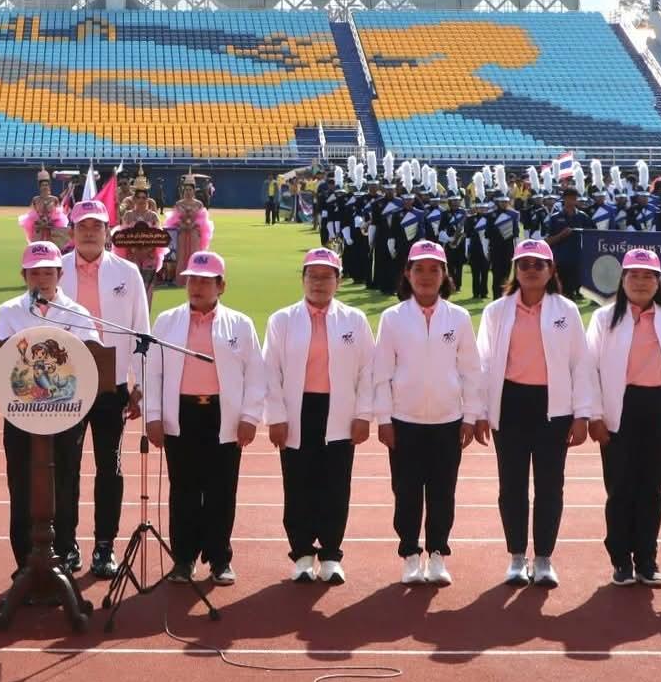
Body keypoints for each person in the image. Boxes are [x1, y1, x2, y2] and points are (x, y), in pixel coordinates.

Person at [476, 238, 593, 588]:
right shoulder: (496, 311)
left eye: (538, 264)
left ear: (550, 269)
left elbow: (580, 365)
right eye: (524, 264)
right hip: (509, 404)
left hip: (553, 408)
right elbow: (482, 364)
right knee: (511, 485)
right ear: (515, 269)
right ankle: (516, 557)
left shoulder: (567, 311)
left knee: (550, 486)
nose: (530, 270)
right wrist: (480, 411)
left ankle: (543, 558)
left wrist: (582, 414)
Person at [144, 251, 265, 585]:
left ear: (221, 286)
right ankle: (183, 559)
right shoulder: (166, 321)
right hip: (180, 414)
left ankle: (219, 559)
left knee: (221, 491)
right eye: (192, 280)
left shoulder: (240, 324)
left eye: (205, 281)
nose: (196, 287)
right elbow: (152, 372)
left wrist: (250, 416)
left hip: (222, 416)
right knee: (183, 489)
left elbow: (256, 374)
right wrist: (153, 415)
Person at [372, 241, 484, 587]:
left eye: (434, 269)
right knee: (406, 492)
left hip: (447, 421)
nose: (425, 276)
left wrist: (470, 416)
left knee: (442, 492)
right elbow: (381, 373)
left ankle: (437, 554)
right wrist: (384, 419)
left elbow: (471, 370)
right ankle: (410, 554)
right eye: (418, 269)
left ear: (444, 274)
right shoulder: (393, 318)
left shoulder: (458, 317)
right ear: (407, 274)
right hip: (404, 421)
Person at [262, 247, 376, 584]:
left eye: (327, 277)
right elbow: (270, 372)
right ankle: (301, 554)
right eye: (313, 276)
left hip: (339, 410)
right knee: (298, 483)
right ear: (303, 279)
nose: (319, 283)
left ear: (338, 281)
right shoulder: (282, 320)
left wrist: (363, 414)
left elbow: (368, 371)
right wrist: (276, 416)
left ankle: (330, 555)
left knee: (335, 485)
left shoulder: (354, 320)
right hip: (297, 411)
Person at [586, 248, 661, 587]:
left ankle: (647, 559)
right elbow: (590, 370)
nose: (641, 282)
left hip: (660, 408)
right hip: (618, 410)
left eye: (648, 276)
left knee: (652, 489)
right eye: (634, 275)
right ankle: (621, 559)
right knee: (620, 488)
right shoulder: (604, 319)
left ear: (658, 282)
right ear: (623, 280)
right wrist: (594, 414)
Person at [0, 241, 99, 572]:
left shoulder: (76, 312)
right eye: (34, 273)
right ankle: (24, 560)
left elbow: (95, 357)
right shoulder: (9, 311)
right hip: (20, 414)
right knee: (21, 482)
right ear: (24, 276)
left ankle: (64, 552)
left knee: (65, 481)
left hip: (67, 414)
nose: (41, 279)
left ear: (60, 275)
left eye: (48, 273)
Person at [57, 199, 148, 578]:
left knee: (109, 467)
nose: (90, 232)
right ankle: (66, 546)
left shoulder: (128, 272)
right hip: (65, 385)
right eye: (83, 226)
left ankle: (105, 546)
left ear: (108, 231)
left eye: (97, 226)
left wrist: (141, 385)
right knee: (65, 467)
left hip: (112, 385)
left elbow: (141, 331)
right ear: (72, 232)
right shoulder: (56, 269)